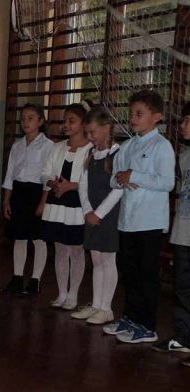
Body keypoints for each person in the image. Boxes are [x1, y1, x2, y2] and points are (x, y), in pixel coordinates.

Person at [103, 90, 175, 344]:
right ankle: (130, 318)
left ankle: (147, 325)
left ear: (156, 117)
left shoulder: (162, 146)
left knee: (146, 275)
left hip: (149, 221)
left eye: (139, 114)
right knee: (130, 273)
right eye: (131, 113)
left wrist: (134, 176)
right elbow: (114, 179)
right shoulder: (128, 145)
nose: (132, 118)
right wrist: (121, 179)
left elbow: (167, 182)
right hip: (128, 220)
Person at [71, 106, 122, 324]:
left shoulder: (118, 154)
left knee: (108, 260)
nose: (90, 137)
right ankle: (96, 304)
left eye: (93, 132)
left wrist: (99, 213)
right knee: (96, 259)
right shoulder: (90, 154)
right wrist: (87, 211)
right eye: (87, 133)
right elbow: (83, 185)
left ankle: (106, 308)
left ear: (106, 128)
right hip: (91, 215)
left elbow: (118, 189)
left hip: (108, 215)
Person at [40, 103, 93, 310]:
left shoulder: (91, 150)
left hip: (77, 205)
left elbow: (93, 182)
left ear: (84, 123)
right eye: (65, 120)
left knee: (76, 250)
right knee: (60, 249)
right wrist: (52, 182)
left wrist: (71, 186)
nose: (66, 125)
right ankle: (62, 292)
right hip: (57, 202)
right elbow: (45, 173)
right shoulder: (57, 147)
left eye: (72, 121)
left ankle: (73, 294)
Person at [0, 103, 53, 296]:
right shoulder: (17, 145)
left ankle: (35, 280)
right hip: (19, 192)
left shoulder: (48, 146)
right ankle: (17, 278)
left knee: (38, 238)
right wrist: (6, 200)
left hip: (37, 192)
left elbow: (49, 176)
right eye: (23, 118)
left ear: (41, 121)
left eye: (31, 118)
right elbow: (9, 175)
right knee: (19, 237)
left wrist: (43, 201)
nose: (25, 122)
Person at [152, 101, 190, 358]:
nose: (182, 125)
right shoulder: (184, 155)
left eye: (187, 120)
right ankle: (183, 337)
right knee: (182, 288)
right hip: (182, 232)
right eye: (182, 120)